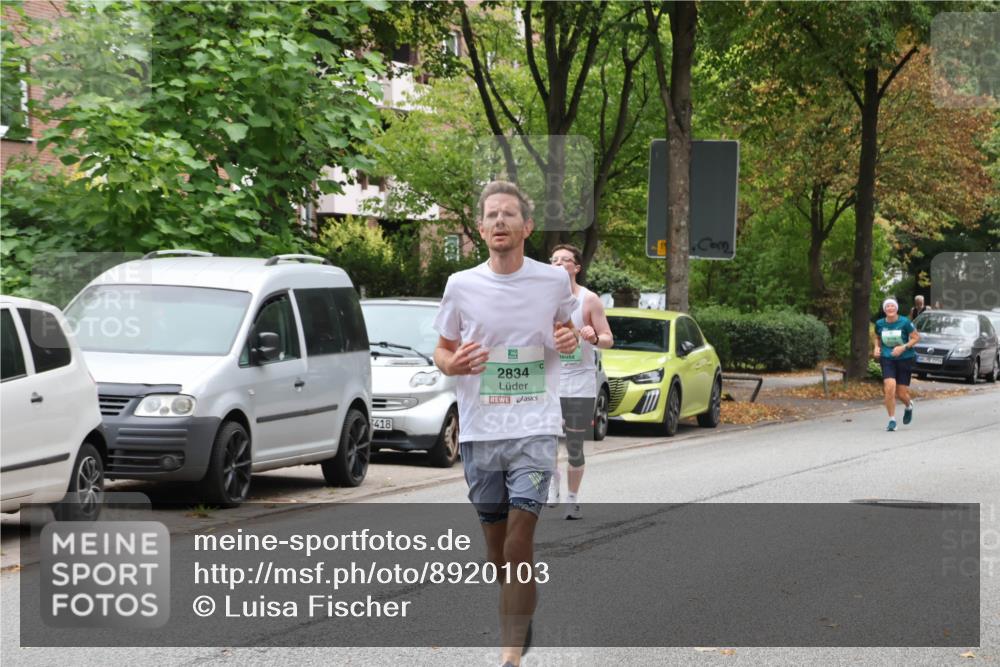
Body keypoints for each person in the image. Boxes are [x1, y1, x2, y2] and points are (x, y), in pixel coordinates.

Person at [433, 180, 579, 667]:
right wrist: (451, 366)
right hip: (480, 433)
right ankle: (521, 617)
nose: (499, 221)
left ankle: (509, 658)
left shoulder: (552, 281)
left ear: (527, 226)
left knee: (519, 544)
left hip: (535, 428)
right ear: (480, 227)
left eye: (509, 214)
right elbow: (442, 350)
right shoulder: (461, 285)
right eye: (491, 215)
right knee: (499, 555)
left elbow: (567, 331)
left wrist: (569, 338)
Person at [547, 243, 613, 520]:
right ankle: (553, 483)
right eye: (554, 260)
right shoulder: (541, 299)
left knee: (574, 445)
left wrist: (594, 337)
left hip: (579, 381)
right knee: (545, 440)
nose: (559, 264)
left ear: (576, 268)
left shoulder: (589, 300)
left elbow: (609, 339)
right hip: (548, 380)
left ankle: (572, 499)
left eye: (565, 261)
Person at [874, 297, 920, 431]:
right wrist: (876, 348)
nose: (890, 308)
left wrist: (903, 347)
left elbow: (916, 337)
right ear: (884, 309)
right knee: (889, 387)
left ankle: (908, 405)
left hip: (905, 358)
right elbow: (877, 337)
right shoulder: (880, 323)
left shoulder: (905, 322)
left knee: (901, 394)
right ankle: (892, 420)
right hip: (887, 358)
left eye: (892, 306)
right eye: (887, 306)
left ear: (896, 308)